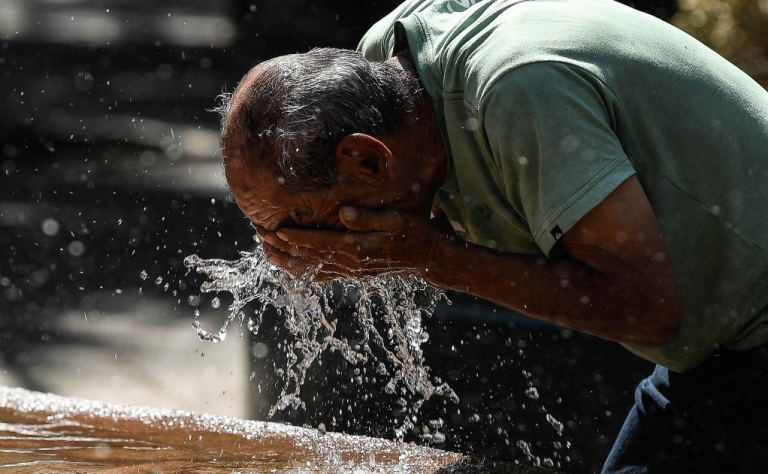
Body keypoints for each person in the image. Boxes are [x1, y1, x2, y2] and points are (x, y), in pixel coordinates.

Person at [216, 0, 768, 471]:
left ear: (366, 159)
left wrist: (433, 257)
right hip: (715, 347)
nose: (289, 253)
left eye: (297, 222)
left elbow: (648, 307)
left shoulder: (516, 96)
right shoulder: (394, 68)